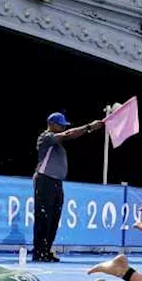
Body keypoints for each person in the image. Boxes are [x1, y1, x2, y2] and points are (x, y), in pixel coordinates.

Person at [33, 112, 102, 263]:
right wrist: (89, 127)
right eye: (61, 124)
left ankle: (46, 250)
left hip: (56, 183)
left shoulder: (57, 144)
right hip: (45, 181)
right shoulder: (46, 137)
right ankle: (39, 252)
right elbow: (68, 134)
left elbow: (67, 134)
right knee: (44, 218)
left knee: (54, 219)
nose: (64, 127)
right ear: (51, 124)